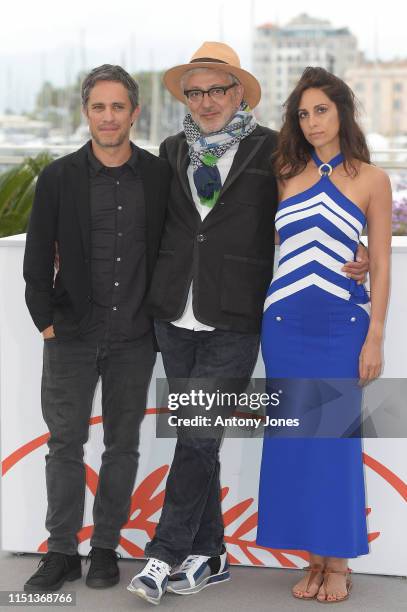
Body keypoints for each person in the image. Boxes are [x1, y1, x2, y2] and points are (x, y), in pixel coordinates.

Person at [127, 43, 369, 606]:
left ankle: (163, 555)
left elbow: (323, 199)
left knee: (195, 434)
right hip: (174, 316)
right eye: (195, 91)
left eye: (217, 89)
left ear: (240, 93)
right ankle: (211, 555)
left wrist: (357, 250)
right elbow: (153, 225)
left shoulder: (275, 152)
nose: (205, 101)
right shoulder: (169, 151)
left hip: (237, 317)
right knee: (200, 439)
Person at [22, 64, 170, 592]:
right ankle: (61, 551)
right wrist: (47, 324)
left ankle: (105, 546)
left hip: (135, 336)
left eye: (118, 107)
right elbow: (37, 258)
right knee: (64, 444)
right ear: (87, 112)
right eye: (99, 107)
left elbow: (192, 240)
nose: (108, 117)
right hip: (72, 336)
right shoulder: (59, 177)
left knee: (122, 445)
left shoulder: (157, 175)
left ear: (135, 112)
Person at [256, 67, 392, 603]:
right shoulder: (285, 173)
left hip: (342, 327)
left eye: (322, 110)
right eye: (303, 113)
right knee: (293, 442)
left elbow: (380, 262)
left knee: (334, 445)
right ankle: (313, 558)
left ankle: (338, 563)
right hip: (284, 326)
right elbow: (274, 243)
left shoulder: (372, 179)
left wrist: (375, 334)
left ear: (342, 113)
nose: (312, 122)